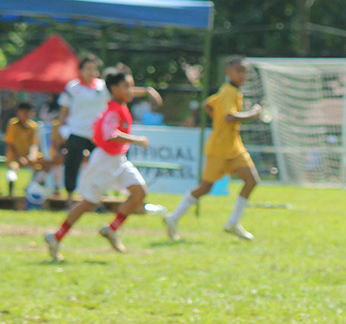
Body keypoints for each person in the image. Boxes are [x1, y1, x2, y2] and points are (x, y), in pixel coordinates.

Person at [44, 70, 150, 261]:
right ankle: (56, 236)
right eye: (127, 86)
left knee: (140, 192)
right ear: (115, 89)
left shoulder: (120, 106)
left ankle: (111, 229)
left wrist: (148, 91)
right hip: (104, 160)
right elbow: (111, 133)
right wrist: (137, 140)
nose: (130, 90)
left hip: (118, 159)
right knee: (88, 203)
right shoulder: (112, 110)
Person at [162, 56, 262, 241]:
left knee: (251, 180)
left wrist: (217, 119)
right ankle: (173, 217)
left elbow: (207, 104)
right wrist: (253, 114)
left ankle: (233, 222)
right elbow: (229, 118)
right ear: (228, 72)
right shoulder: (228, 92)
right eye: (238, 70)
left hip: (234, 146)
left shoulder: (231, 91)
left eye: (244, 71)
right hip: (219, 148)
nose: (242, 74)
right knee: (205, 187)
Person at [56, 55, 160, 199]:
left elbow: (125, 90)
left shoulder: (102, 86)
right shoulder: (72, 87)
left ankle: (99, 195)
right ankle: (70, 196)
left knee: (101, 165)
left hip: (96, 136)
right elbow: (64, 110)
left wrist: (147, 91)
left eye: (94, 68)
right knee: (72, 163)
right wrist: (60, 130)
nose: (91, 72)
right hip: (77, 131)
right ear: (80, 70)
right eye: (88, 68)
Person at [5, 101, 50, 195]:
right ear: (18, 112)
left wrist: (32, 155)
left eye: (28, 113)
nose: (25, 115)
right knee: (13, 168)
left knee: (46, 164)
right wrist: (19, 158)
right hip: (15, 156)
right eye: (23, 112)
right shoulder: (13, 124)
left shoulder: (33, 126)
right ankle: (11, 187)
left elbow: (34, 144)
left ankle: (32, 185)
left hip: (28, 156)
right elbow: (10, 143)